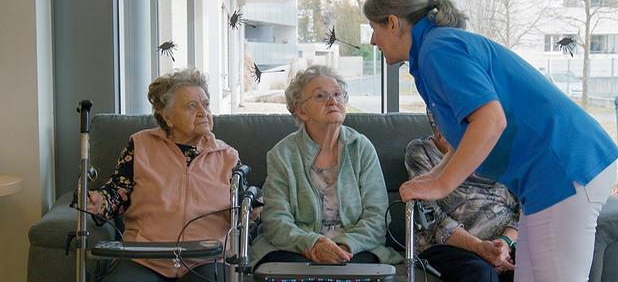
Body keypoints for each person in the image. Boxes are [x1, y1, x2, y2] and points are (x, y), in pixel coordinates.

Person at [363, 0, 618, 282]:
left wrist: (442, 184)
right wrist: (432, 177)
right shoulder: (436, 48)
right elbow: (466, 135)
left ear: (392, 23)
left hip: (564, 168)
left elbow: (490, 121)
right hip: (548, 176)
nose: (372, 41)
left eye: (373, 29)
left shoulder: (438, 49)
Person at [86, 68, 240, 281]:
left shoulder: (227, 156)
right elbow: (117, 194)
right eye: (191, 106)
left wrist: (255, 210)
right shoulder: (140, 145)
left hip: (206, 258)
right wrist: (99, 201)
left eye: (205, 104)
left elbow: (242, 207)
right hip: (145, 257)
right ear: (167, 117)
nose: (203, 112)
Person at [250, 65, 402, 267]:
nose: (333, 101)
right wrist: (313, 243)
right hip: (297, 247)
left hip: (355, 248)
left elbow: (378, 217)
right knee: (289, 267)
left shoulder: (361, 148)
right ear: (301, 111)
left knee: (358, 267)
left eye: (337, 94)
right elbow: (276, 220)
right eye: (320, 96)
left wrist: (346, 246)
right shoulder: (282, 155)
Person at [406, 108, 520, 282]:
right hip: (450, 246)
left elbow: (524, 207)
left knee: (532, 266)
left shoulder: (499, 148)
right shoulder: (421, 151)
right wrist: (480, 248)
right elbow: (430, 217)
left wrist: (504, 244)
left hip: (506, 243)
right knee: (481, 274)